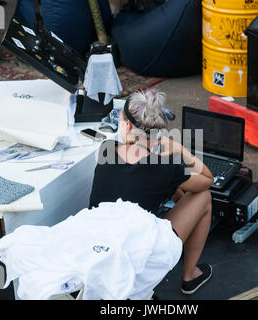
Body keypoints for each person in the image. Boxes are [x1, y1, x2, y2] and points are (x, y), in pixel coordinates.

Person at [89, 89, 214, 295]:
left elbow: (142, 179)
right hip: (138, 259)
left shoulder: (107, 148)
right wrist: (181, 150)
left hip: (99, 248)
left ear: (128, 126)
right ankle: (190, 275)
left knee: (175, 190)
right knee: (203, 196)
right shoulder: (165, 167)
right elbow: (207, 180)